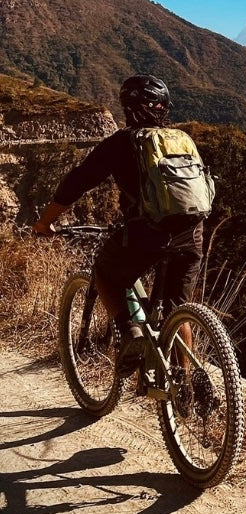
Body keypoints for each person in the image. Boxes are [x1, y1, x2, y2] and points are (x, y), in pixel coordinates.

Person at [32, 74, 205, 376]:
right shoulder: (182, 140)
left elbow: (75, 183)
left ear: (126, 108)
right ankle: (185, 383)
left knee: (106, 273)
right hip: (191, 233)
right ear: (164, 108)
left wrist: (45, 222)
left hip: (146, 234)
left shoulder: (119, 144)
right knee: (178, 309)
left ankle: (130, 334)